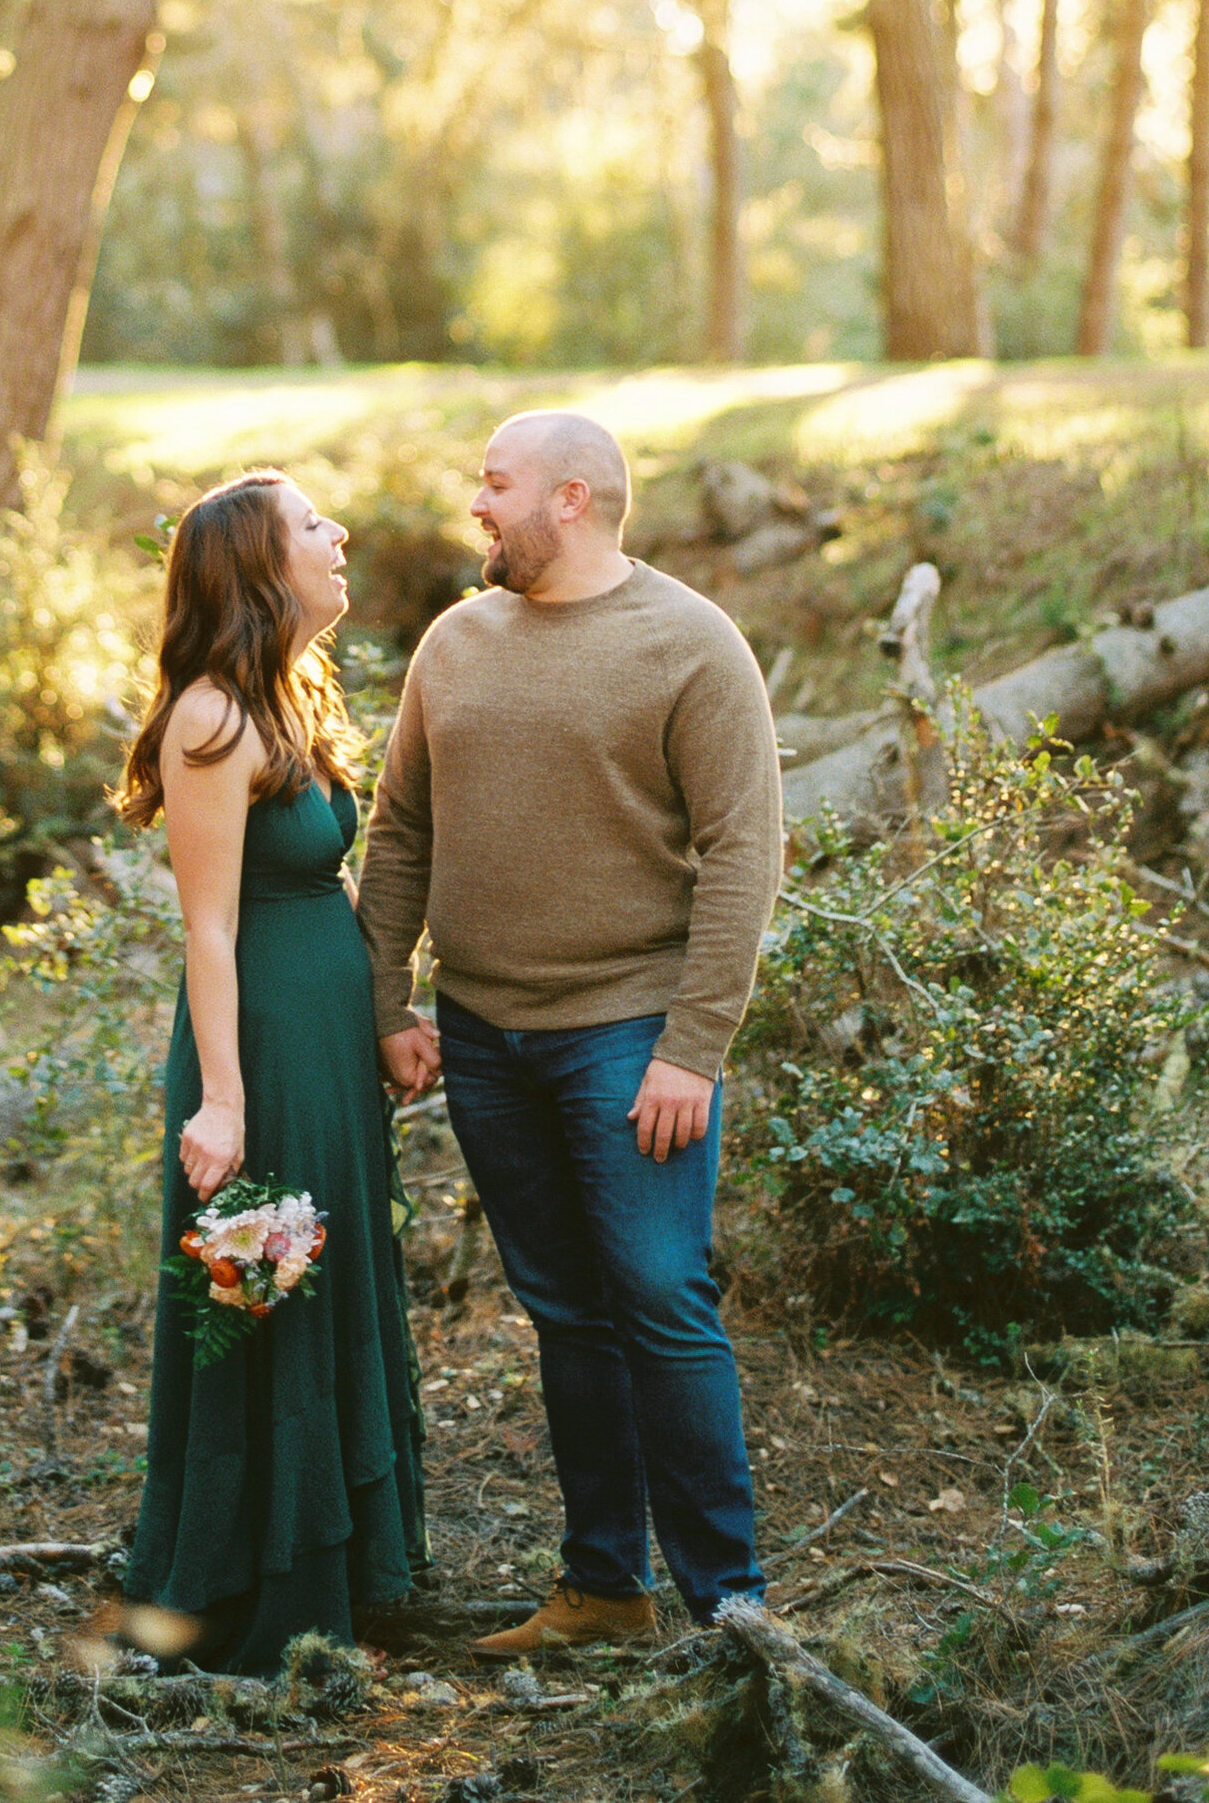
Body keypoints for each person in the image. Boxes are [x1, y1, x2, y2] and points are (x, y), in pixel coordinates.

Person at [356, 411, 783, 1654]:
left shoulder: (690, 645)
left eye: (494, 485)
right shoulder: (456, 640)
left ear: (573, 499)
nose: (474, 505)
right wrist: (390, 1000)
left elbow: (743, 855)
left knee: (660, 1297)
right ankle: (604, 1584)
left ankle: (730, 1610)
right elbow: (400, 835)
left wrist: (692, 1046)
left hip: (629, 1037)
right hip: (486, 1036)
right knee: (562, 1308)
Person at [119, 470, 427, 1673]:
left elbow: (326, 886)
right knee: (267, 1295)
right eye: (312, 525)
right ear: (257, 565)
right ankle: (255, 1588)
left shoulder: (290, 697)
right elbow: (208, 926)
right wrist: (225, 1098)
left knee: (328, 1281)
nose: (339, 533)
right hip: (257, 1062)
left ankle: (347, 1568)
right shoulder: (210, 718)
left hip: (328, 1057)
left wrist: (385, 1019)